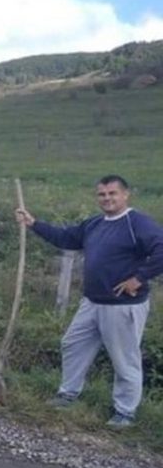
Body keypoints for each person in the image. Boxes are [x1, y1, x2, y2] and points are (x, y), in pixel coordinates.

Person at [16, 175, 163, 428]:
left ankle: (125, 412)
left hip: (122, 306)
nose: (106, 198)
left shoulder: (136, 223)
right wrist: (34, 224)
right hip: (92, 301)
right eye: (102, 194)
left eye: (112, 193)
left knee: (124, 359)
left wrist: (138, 279)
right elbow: (67, 238)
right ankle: (68, 393)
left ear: (125, 195)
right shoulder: (95, 223)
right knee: (72, 344)